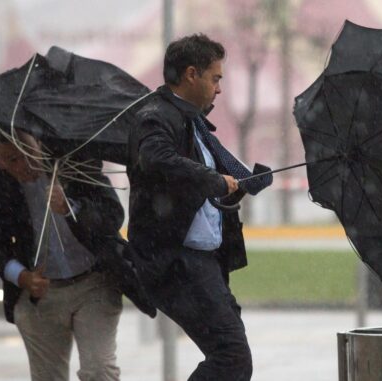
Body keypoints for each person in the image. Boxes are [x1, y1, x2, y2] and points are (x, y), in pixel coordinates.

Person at [127, 33, 254, 380]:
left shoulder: (191, 120)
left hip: (201, 263)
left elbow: (191, 188)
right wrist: (213, 180)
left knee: (231, 356)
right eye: (216, 78)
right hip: (177, 263)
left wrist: (231, 190)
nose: (219, 88)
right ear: (191, 74)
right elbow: (157, 159)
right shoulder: (156, 116)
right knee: (232, 357)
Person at [0, 126, 124, 381]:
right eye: (12, 159)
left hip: (93, 285)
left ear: (38, 143)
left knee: (99, 371)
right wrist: (21, 276)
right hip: (39, 296)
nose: (24, 164)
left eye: (28, 152)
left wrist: (71, 208)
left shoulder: (74, 161)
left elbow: (112, 214)